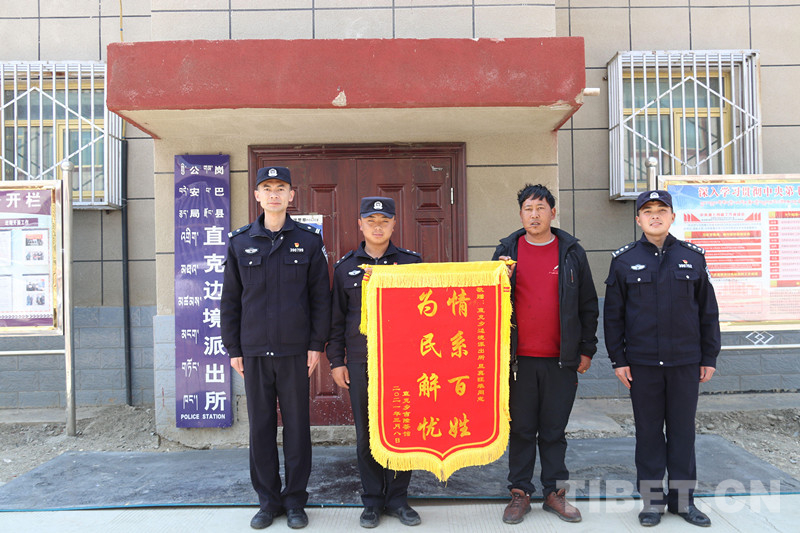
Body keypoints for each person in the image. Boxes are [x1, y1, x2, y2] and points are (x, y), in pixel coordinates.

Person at [220, 166, 331, 530]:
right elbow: (230, 301)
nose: (274, 194)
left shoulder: (308, 241)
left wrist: (315, 345)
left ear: (291, 195)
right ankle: (268, 502)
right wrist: (233, 348)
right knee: (261, 429)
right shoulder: (240, 242)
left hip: (295, 352)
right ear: (257, 195)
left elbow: (320, 298)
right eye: (267, 188)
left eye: (280, 188)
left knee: (297, 429)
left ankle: (296, 501)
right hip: (253, 352)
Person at [603, 189, 721, 528]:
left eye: (661, 210)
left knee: (683, 434)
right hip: (642, 365)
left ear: (672, 217)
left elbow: (708, 313)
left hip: (685, 363)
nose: (655, 215)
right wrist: (618, 359)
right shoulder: (624, 260)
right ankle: (652, 503)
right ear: (638, 219)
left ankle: (683, 503)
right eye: (648, 211)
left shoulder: (692, 258)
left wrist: (709, 356)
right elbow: (613, 316)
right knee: (649, 435)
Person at [492, 183, 598, 525]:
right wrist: (501, 280)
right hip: (518, 362)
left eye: (540, 208)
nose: (534, 215)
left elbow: (588, 304)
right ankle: (519, 493)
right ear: (520, 214)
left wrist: (586, 350)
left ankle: (555, 493)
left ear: (553, 212)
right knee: (522, 430)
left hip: (560, 360)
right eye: (528, 208)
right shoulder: (507, 252)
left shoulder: (571, 252)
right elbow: (487, 303)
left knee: (554, 431)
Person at [327, 197, 423, 528]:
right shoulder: (345, 267)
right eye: (371, 221)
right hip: (361, 362)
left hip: (403, 363)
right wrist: (336, 361)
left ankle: (398, 499)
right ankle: (371, 500)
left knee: (403, 430)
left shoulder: (411, 264)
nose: (377, 227)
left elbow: (427, 314)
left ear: (394, 224)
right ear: (360, 225)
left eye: (384, 221)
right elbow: (336, 321)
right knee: (366, 434)